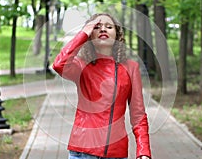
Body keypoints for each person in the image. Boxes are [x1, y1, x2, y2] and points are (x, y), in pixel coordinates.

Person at [52, 13, 152, 159]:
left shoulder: (131, 68)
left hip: (116, 153)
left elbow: (138, 115)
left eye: (109, 26)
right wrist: (83, 34)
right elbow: (59, 65)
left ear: (117, 35)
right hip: (82, 152)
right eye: (97, 27)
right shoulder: (81, 66)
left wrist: (143, 152)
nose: (103, 29)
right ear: (90, 36)